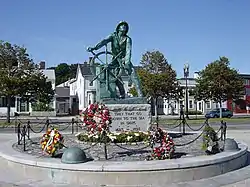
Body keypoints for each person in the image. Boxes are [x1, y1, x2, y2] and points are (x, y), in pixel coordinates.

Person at [87, 21, 143, 98]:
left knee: (133, 73)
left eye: (125, 26)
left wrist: (127, 62)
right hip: (114, 59)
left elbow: (128, 51)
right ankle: (122, 94)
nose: (124, 26)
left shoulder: (128, 39)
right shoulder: (113, 36)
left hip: (123, 58)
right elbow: (104, 41)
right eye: (122, 25)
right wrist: (95, 48)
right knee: (115, 75)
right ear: (118, 27)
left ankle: (140, 94)